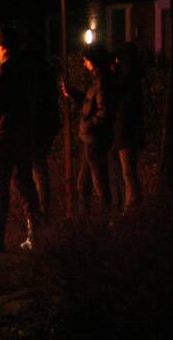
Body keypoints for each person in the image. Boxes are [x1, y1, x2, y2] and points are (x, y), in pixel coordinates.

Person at [0, 27, 41, 252]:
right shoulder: (29, 72)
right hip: (23, 137)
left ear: (0, 48)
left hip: (2, 139)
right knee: (25, 185)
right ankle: (35, 234)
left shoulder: (2, 72)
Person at [62, 48, 114, 219]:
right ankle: (86, 221)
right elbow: (90, 103)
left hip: (95, 138)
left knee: (98, 179)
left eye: (86, 60)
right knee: (83, 183)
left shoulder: (102, 82)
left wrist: (89, 125)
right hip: (90, 138)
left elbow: (103, 111)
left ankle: (106, 217)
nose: (84, 64)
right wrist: (74, 94)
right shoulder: (98, 81)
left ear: (94, 61)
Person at [110, 42, 145, 213]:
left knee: (128, 172)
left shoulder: (128, 76)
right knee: (128, 171)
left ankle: (132, 206)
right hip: (129, 131)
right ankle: (132, 204)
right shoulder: (133, 75)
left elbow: (115, 93)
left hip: (126, 132)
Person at [27, 49, 61, 225]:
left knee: (37, 171)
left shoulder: (36, 81)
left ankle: (40, 212)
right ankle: (40, 211)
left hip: (38, 129)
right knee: (38, 170)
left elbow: (38, 107)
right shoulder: (46, 79)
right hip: (44, 128)